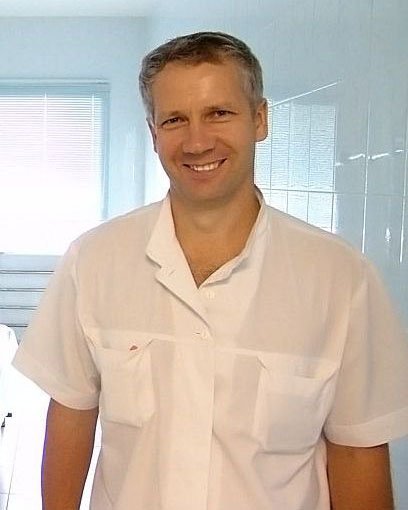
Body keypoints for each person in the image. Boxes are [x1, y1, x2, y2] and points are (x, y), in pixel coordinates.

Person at [13, 31, 408, 510]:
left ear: (259, 119)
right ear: (153, 133)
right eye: (175, 119)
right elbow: (72, 415)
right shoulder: (94, 260)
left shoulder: (341, 279)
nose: (197, 142)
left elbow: (356, 449)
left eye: (219, 113)